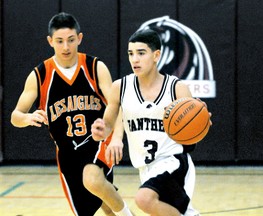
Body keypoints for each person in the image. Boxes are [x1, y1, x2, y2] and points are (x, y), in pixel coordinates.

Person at [10, 12, 133, 216]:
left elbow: (116, 105)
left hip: (98, 141)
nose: (66, 47)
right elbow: (15, 116)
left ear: (80, 38)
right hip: (68, 153)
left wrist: (116, 139)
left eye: (71, 40)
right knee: (99, 202)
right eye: (59, 41)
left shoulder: (95, 67)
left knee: (92, 179)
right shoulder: (40, 75)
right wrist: (27, 118)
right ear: (50, 41)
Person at [91, 29, 212, 215]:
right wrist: (101, 130)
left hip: (173, 162)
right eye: (131, 54)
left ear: (156, 55)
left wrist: (201, 123)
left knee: (143, 199)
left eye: (141, 53)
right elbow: (108, 123)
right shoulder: (120, 87)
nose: (134, 59)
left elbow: (193, 137)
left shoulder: (177, 88)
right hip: (145, 167)